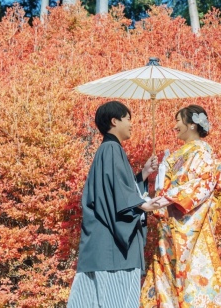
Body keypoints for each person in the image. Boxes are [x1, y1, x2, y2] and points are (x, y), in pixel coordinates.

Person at [68, 100, 161, 308]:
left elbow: (112, 191)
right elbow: (119, 193)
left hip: (97, 249)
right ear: (114, 121)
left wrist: (144, 174)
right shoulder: (111, 149)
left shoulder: (106, 150)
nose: (131, 124)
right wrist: (143, 205)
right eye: (128, 119)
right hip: (113, 252)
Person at [141, 105, 221, 308]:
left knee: (191, 276)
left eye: (178, 120)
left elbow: (202, 183)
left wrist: (165, 199)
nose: (174, 125)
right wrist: (160, 174)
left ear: (191, 124)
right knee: (168, 277)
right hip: (169, 225)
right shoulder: (180, 154)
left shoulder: (202, 153)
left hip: (188, 226)